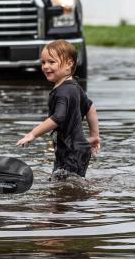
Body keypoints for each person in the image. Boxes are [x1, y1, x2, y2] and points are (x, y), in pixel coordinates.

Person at [17, 39, 100, 178]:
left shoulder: (63, 92)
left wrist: (33, 134)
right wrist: (94, 135)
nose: (45, 66)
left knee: (66, 185)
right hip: (75, 149)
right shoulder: (74, 86)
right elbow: (90, 108)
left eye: (51, 62)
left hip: (72, 151)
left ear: (69, 64)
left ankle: (94, 192)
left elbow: (58, 118)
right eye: (43, 62)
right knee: (63, 185)